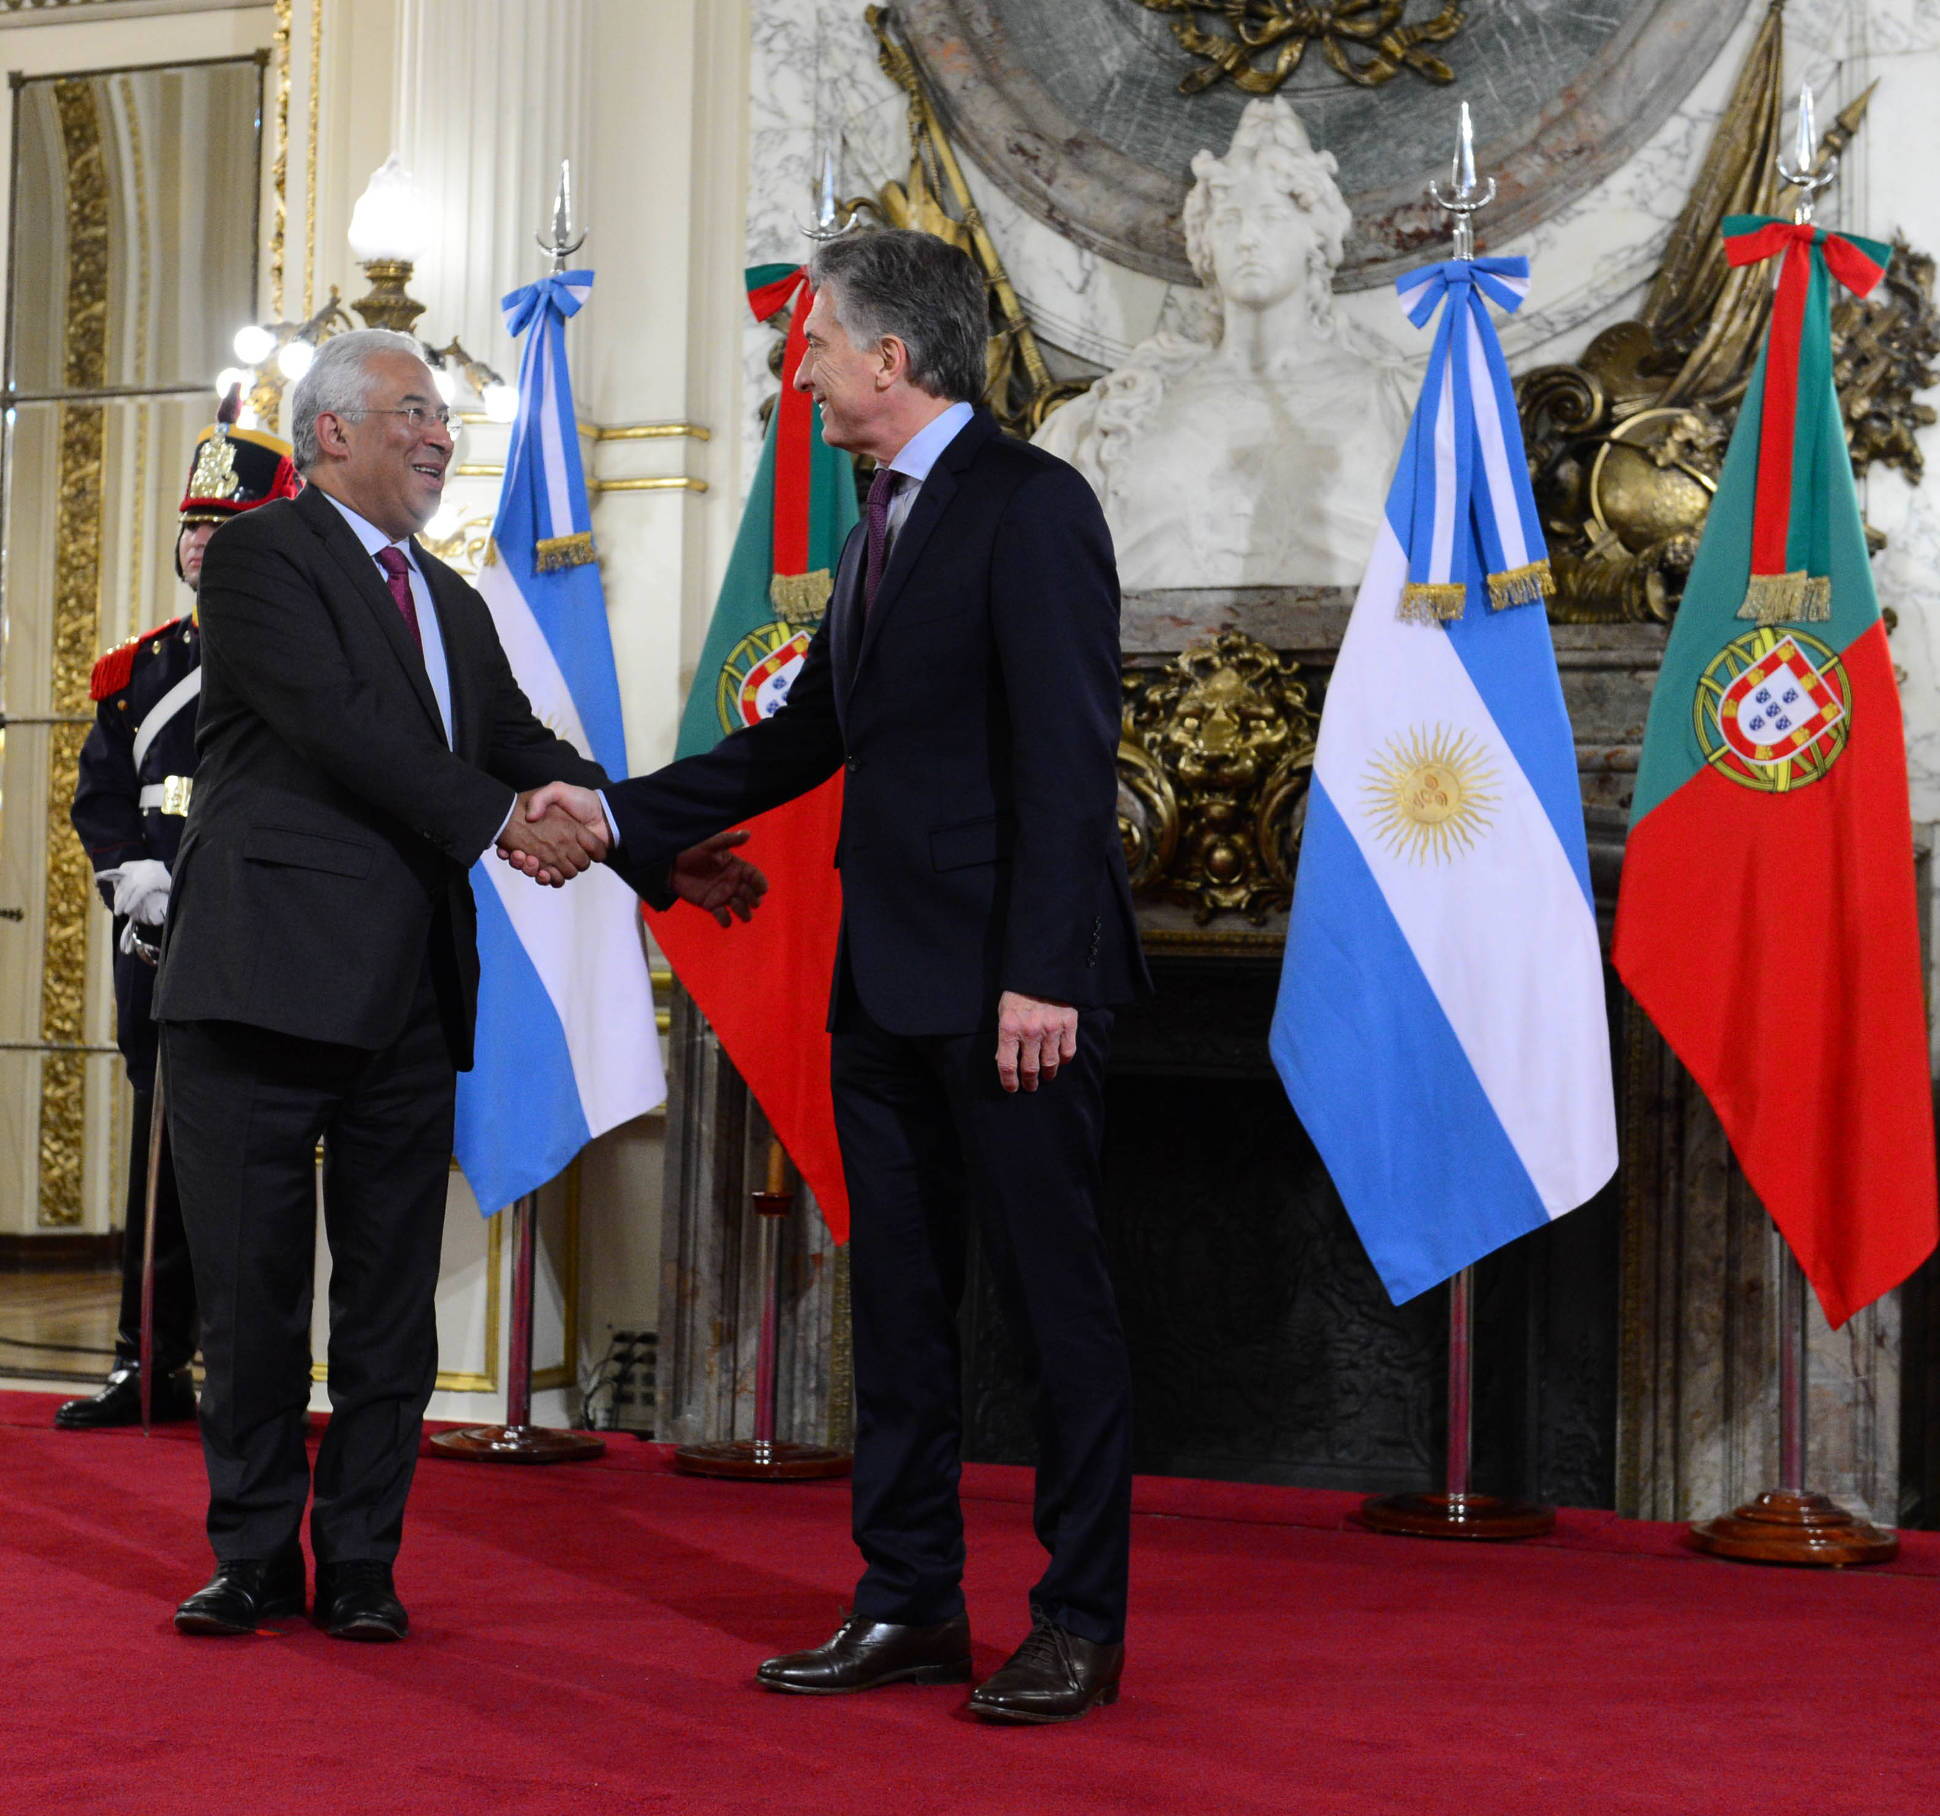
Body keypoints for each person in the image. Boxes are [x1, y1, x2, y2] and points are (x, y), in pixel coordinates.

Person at [507, 229, 1149, 1724]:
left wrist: (1045, 972)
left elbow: (1072, 754)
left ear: (893, 359)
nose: (798, 373)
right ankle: (910, 1601)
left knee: (1058, 1315)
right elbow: (800, 744)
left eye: (816, 345)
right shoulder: (877, 526)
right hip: (889, 984)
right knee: (905, 1314)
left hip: (1017, 995)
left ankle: (1080, 1620)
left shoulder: (1030, 506)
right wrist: (612, 820)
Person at [155, 329, 763, 1642]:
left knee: (388, 1309)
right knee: (255, 1302)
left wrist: (656, 852)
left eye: (443, 416)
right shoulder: (262, 559)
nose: (441, 434)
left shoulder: (454, 598)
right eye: (415, 412)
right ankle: (254, 1555)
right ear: (331, 434)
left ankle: (363, 1564)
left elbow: (527, 748)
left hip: (408, 998)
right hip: (259, 983)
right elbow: (349, 734)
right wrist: (507, 825)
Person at [59, 408, 300, 1430]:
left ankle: (237, 1371)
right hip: (155, 940)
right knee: (155, 1154)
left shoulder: (301, 659)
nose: (202, 540)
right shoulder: (137, 670)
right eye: (194, 523)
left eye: (225, 525)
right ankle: (144, 1358)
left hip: (261, 944)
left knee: (245, 1167)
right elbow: (100, 797)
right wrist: (132, 878)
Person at [1034, 96, 1411, 588]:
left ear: (1315, 239)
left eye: (1272, 218)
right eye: (1230, 220)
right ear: (1205, 240)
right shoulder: (1117, 411)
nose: (1248, 238)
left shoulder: (1399, 401)